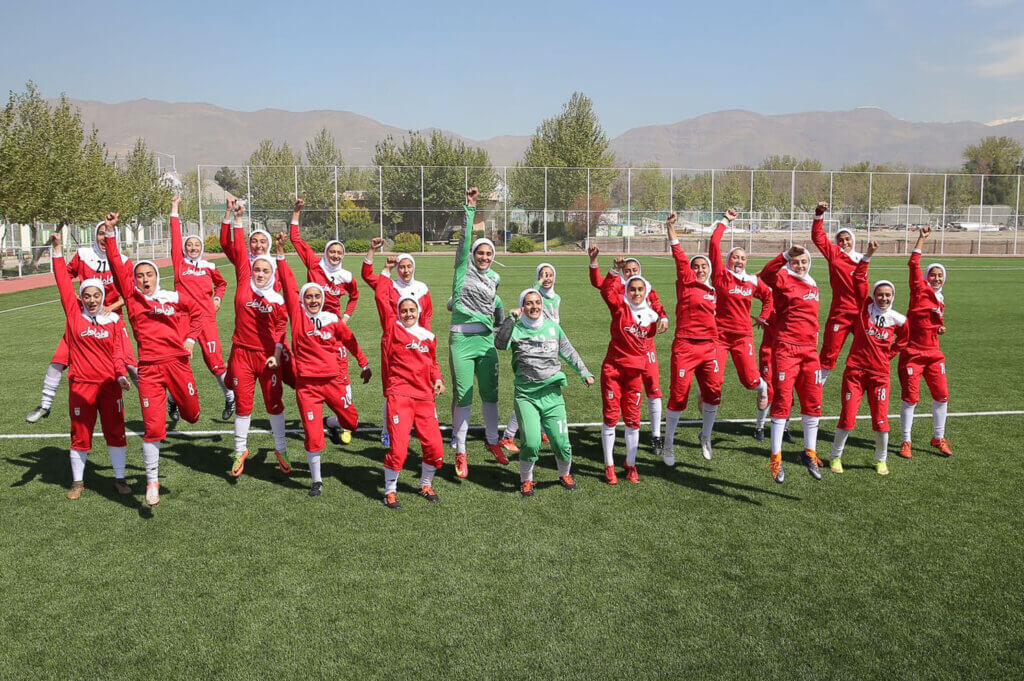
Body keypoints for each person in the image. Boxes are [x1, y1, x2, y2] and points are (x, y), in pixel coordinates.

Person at [103, 213, 202, 507]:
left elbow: (198, 312)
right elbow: (117, 267)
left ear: (157, 277)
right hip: (149, 370)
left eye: (149, 275)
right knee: (153, 429)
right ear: (135, 281)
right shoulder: (133, 300)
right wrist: (110, 233)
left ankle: (178, 403)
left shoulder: (173, 297)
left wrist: (191, 338)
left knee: (193, 415)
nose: (145, 279)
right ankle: (152, 481)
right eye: (140, 276)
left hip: (178, 364)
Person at [276, 237, 371, 497]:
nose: (314, 300)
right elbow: (288, 284)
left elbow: (350, 341)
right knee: (312, 434)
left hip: (332, 382)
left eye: (318, 296)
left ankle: (333, 421)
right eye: (309, 296)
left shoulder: (331, 318)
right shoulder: (297, 317)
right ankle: (316, 480)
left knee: (351, 423)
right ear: (303, 300)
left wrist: (364, 363)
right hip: (307, 386)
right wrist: (281, 253)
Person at [26, 220, 137, 423]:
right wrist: (77, 305)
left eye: (107, 233)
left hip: (112, 319)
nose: (104, 237)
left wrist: (110, 308)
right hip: (82, 318)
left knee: (130, 365)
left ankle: (158, 400)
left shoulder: (123, 261)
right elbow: (65, 277)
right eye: (100, 233)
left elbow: (129, 295)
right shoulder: (84, 255)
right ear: (95, 235)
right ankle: (45, 404)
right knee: (58, 361)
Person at [49, 232, 132, 499]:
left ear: (103, 296)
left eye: (97, 296)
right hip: (81, 386)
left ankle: (119, 478)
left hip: (110, 386)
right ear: (82, 298)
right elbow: (63, 281)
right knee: (80, 434)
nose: (93, 300)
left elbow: (119, 352)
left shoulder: (114, 322)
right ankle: (77, 483)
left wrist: (120, 376)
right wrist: (58, 250)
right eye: (88, 296)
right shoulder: (74, 315)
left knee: (115, 431)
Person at [495, 288, 594, 496]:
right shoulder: (517, 329)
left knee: (561, 443)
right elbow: (500, 343)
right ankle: (527, 480)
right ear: (523, 306)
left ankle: (564, 474)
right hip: (527, 395)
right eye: (529, 303)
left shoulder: (553, 328)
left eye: (537, 302)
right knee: (531, 442)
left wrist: (584, 372)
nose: (534, 306)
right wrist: (511, 319)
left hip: (552, 394)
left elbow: (568, 351)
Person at [759, 201, 830, 483]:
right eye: (796, 261)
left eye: (803, 261)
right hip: (787, 350)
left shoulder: (813, 284)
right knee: (782, 403)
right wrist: (784, 254)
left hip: (809, 352)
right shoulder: (784, 279)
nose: (800, 265)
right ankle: (775, 458)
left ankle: (809, 452)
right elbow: (764, 276)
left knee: (813, 403)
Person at [222, 201, 291, 478]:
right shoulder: (242, 280)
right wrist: (238, 219)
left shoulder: (276, 297)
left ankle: (281, 449)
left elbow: (279, 327)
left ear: (272, 273)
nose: (260, 274)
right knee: (243, 405)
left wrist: (276, 352)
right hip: (241, 354)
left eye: (265, 271)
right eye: (257, 270)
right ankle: (240, 452)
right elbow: (239, 250)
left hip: (267, 357)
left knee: (274, 404)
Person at [829, 239, 908, 475]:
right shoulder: (864, 308)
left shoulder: (898, 319)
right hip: (855, 372)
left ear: (893, 296)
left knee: (881, 420)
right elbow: (858, 279)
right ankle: (835, 457)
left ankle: (881, 459)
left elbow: (904, 340)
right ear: (874, 295)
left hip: (880, 375)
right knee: (848, 417)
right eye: (880, 294)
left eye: (888, 295)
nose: (884, 298)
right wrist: (868, 255)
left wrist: (890, 354)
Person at [372, 272, 446, 509]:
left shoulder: (429, 336)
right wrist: (384, 274)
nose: (408, 314)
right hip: (400, 395)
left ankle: (425, 484)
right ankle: (390, 491)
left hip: (425, 397)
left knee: (435, 448)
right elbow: (381, 299)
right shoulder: (393, 329)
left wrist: (438, 379)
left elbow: (433, 364)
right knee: (399, 449)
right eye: (403, 310)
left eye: (412, 310)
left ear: (419, 312)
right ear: (398, 313)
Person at [448, 186, 506, 478]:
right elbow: (463, 239)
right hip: (461, 340)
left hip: (486, 343)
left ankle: (494, 442)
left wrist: (498, 332)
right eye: (479, 253)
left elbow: (498, 311)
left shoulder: (495, 279)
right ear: (472, 254)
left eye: (488, 253)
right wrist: (470, 207)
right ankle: (460, 450)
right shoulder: (462, 269)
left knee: (491, 394)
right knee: (463, 395)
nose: (484, 257)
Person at [661, 211, 728, 464]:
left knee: (713, 392)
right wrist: (670, 229)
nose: (700, 269)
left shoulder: (715, 289)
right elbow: (678, 253)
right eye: (696, 266)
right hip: (686, 346)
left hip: (709, 348)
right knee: (679, 395)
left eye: (704, 267)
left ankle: (706, 435)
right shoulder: (686, 282)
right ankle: (668, 444)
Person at [588, 252, 670, 449]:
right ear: (623, 273)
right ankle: (621, 430)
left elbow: (657, 303)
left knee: (653, 388)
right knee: (625, 394)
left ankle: (656, 435)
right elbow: (599, 283)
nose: (631, 273)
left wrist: (664, 317)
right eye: (627, 271)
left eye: (634, 270)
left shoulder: (645, 287)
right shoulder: (620, 288)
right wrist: (594, 262)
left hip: (646, 348)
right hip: (625, 349)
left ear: (640, 271)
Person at [363, 237, 433, 448]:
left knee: (421, 385)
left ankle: (421, 426)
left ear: (414, 267)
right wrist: (373, 251)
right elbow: (367, 275)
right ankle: (387, 430)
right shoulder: (389, 285)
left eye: (408, 266)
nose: (405, 270)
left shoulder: (422, 288)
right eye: (401, 267)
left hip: (418, 344)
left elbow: (427, 317)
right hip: (393, 344)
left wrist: (427, 341)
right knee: (392, 389)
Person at [170, 195, 234, 420]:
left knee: (214, 361)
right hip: (182, 318)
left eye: (196, 245)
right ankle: (174, 401)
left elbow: (223, 284)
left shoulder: (209, 266)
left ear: (202, 247)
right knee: (177, 360)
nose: (193, 247)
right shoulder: (180, 262)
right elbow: (175, 238)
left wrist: (218, 298)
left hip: (206, 318)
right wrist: (175, 208)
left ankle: (230, 397)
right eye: (190, 245)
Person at [898, 226, 952, 457]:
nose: (936, 278)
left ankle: (938, 437)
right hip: (913, 354)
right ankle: (906, 441)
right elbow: (913, 264)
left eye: (940, 275)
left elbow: (929, 323)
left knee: (942, 396)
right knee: (911, 398)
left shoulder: (940, 301)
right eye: (933, 274)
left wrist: (938, 328)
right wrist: (921, 239)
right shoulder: (919, 289)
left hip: (934, 354)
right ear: (926, 277)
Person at [712, 239, 773, 435]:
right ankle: (706, 430)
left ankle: (764, 388)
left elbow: (768, 297)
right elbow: (714, 244)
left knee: (750, 381)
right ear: (728, 259)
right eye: (735, 257)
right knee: (712, 381)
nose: (739, 260)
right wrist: (724, 222)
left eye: (743, 258)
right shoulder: (721, 275)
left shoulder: (753, 281)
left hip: (742, 337)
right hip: (719, 336)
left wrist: (764, 316)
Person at [499, 262, 561, 453]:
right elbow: (529, 293)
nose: (547, 278)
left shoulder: (556, 298)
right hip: (534, 348)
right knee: (530, 395)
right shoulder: (537, 295)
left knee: (546, 393)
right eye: (543, 274)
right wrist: (538, 283)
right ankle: (508, 435)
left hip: (549, 345)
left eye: (550, 274)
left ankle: (542, 429)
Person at [811, 205, 863, 385]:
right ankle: (814, 392)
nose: (844, 243)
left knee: (868, 353)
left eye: (847, 239)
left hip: (861, 313)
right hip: (840, 312)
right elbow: (818, 237)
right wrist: (819, 215)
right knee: (828, 355)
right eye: (840, 240)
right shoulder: (834, 254)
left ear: (853, 240)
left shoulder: (863, 259)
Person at [288, 199, 359, 320]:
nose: (335, 256)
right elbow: (295, 238)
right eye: (332, 252)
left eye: (339, 253)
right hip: (310, 317)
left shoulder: (346, 276)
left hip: (332, 321)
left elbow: (354, 297)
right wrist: (296, 212)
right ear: (326, 252)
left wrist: (345, 318)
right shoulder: (315, 263)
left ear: (343, 255)